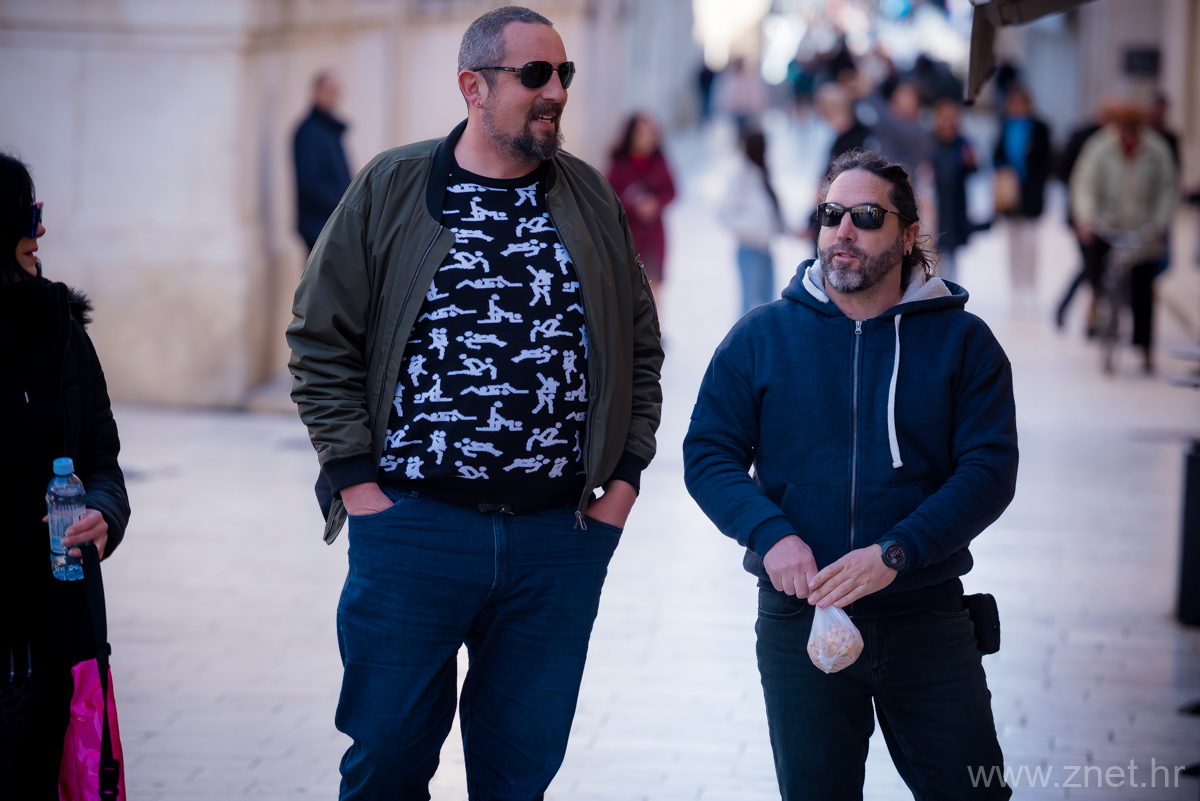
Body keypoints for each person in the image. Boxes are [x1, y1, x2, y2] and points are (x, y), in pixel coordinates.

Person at [285, 7, 663, 797]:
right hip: (414, 529)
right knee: (386, 760)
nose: (555, 90)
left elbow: (639, 346)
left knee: (518, 777)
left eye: (563, 73)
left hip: (555, 541)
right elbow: (320, 338)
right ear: (474, 87)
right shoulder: (391, 186)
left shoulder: (589, 198)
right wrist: (360, 487)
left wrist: (621, 486)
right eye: (535, 74)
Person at [684, 149, 1018, 800]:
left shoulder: (965, 344)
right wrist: (771, 535)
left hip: (927, 618)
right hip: (802, 622)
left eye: (866, 216)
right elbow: (709, 452)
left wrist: (897, 552)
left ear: (908, 235)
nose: (843, 230)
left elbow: (989, 469)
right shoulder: (762, 337)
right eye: (831, 213)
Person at [0, 153, 130, 795]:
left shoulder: (59, 331)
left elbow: (101, 456)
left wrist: (103, 512)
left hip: (51, 630)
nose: (41, 230)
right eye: (28, 215)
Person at [1071, 103, 1177, 372]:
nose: (1130, 136)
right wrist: (1086, 216)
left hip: (1143, 229)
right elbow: (1084, 183)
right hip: (1108, 225)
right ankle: (1098, 307)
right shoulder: (1100, 146)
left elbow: (1167, 188)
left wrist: (1160, 222)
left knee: (1144, 291)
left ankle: (1145, 348)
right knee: (1095, 271)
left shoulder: (1157, 150)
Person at [1054, 100, 1114, 330]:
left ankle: (1087, 316)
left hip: (1110, 218)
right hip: (1083, 215)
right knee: (1090, 266)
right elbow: (1063, 170)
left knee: (1095, 268)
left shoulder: (1114, 144)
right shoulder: (1083, 137)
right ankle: (1075, 311)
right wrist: (1081, 202)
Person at [993, 85, 1051, 312]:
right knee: (1012, 244)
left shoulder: (1040, 128)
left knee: (1031, 244)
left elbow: (1046, 161)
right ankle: (1016, 287)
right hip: (1011, 196)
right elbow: (996, 155)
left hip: (1032, 195)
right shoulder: (1005, 126)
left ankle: (1031, 286)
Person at [607, 113, 677, 299]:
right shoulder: (619, 164)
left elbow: (671, 191)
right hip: (628, 235)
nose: (647, 138)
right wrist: (634, 204)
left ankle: (655, 318)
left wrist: (655, 203)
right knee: (629, 288)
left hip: (653, 235)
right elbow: (609, 195)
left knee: (654, 288)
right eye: (641, 133)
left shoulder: (659, 161)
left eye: (650, 133)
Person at [719, 129, 784, 315]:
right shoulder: (740, 175)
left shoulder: (763, 172)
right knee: (747, 305)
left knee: (769, 304)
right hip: (748, 248)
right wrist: (753, 230)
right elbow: (724, 213)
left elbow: (771, 210)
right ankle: (743, 336)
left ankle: (766, 336)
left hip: (765, 249)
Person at [293, 71, 353, 252]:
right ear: (316, 92)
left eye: (336, 92)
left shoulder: (330, 129)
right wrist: (342, 205)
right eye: (328, 91)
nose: (332, 96)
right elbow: (309, 181)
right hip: (318, 224)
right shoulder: (309, 132)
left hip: (334, 221)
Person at [931, 98, 978, 284]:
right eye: (944, 116)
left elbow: (973, 171)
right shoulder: (930, 141)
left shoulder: (962, 143)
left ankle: (949, 290)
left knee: (950, 253)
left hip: (955, 206)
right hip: (934, 205)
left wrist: (971, 163)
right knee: (933, 252)